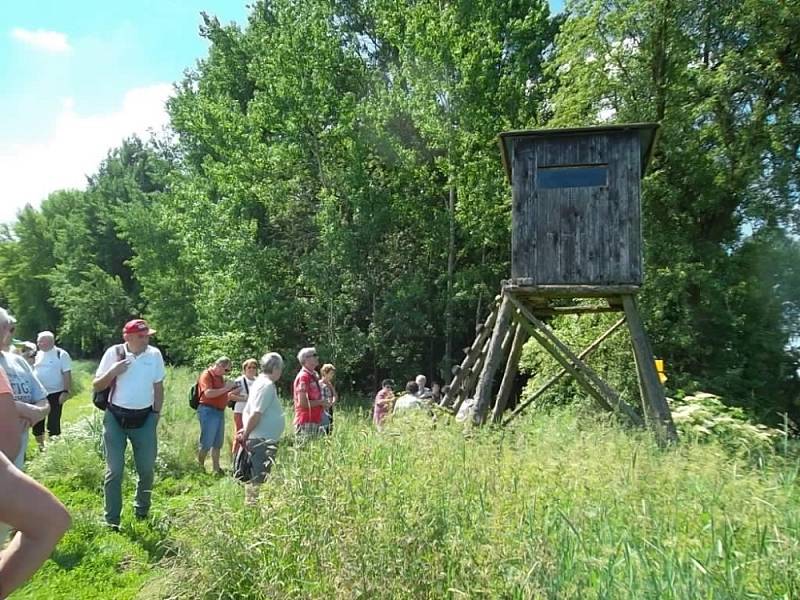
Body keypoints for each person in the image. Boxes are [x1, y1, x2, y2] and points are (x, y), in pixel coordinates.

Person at [93, 318, 165, 529]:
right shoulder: (113, 353)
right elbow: (97, 385)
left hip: (145, 419)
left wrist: (155, 415)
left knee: (146, 469)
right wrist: (113, 371)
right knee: (114, 471)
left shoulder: (154, 355)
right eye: (142, 336)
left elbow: (159, 386)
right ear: (128, 337)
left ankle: (142, 510)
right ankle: (112, 520)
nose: (146, 340)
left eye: (147, 336)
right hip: (115, 418)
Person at [0, 308, 49, 469]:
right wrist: (19, 408)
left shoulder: (18, 362)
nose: (10, 332)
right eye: (7, 327)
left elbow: (43, 400)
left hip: (16, 454)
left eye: (12, 328)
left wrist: (36, 413)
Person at [236, 352, 285, 507]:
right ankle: (252, 507)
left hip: (260, 437)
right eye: (281, 368)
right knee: (257, 476)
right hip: (261, 439)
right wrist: (246, 433)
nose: (281, 372)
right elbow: (257, 413)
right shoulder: (266, 385)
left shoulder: (260, 382)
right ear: (275, 368)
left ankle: (253, 505)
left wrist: (246, 430)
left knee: (257, 475)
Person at [196, 356, 239, 475]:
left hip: (219, 411)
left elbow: (223, 393)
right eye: (226, 370)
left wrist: (233, 390)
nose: (227, 373)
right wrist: (226, 388)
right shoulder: (206, 375)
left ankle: (216, 468)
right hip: (208, 410)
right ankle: (199, 467)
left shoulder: (220, 378)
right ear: (219, 365)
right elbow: (208, 393)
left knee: (217, 442)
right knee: (206, 441)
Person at [32, 331, 72, 449]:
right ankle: (41, 447)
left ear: (51, 341)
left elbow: (67, 373)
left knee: (53, 421)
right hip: (38, 393)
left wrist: (65, 392)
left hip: (56, 393)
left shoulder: (61, 354)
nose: (39, 344)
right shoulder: (37, 354)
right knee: (38, 420)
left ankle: (55, 448)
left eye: (41, 341)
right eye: (38, 341)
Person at [293, 347, 325, 440]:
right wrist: (320, 402)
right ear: (306, 359)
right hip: (306, 421)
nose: (317, 357)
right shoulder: (304, 377)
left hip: (315, 420)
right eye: (314, 355)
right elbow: (302, 403)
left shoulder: (313, 375)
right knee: (305, 451)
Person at [229, 358, 258, 457]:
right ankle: (235, 459)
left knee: (252, 435)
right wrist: (245, 398)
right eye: (249, 367)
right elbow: (230, 395)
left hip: (253, 413)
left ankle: (247, 459)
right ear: (244, 369)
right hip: (240, 411)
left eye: (254, 367)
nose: (251, 369)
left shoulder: (258, 381)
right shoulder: (240, 381)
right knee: (239, 434)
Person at [319, 363, 337, 435]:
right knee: (324, 429)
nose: (332, 376)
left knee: (330, 430)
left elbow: (335, 395)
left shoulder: (329, 384)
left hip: (329, 409)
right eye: (330, 373)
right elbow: (320, 398)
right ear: (325, 373)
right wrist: (326, 404)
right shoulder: (320, 384)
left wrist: (333, 401)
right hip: (323, 410)